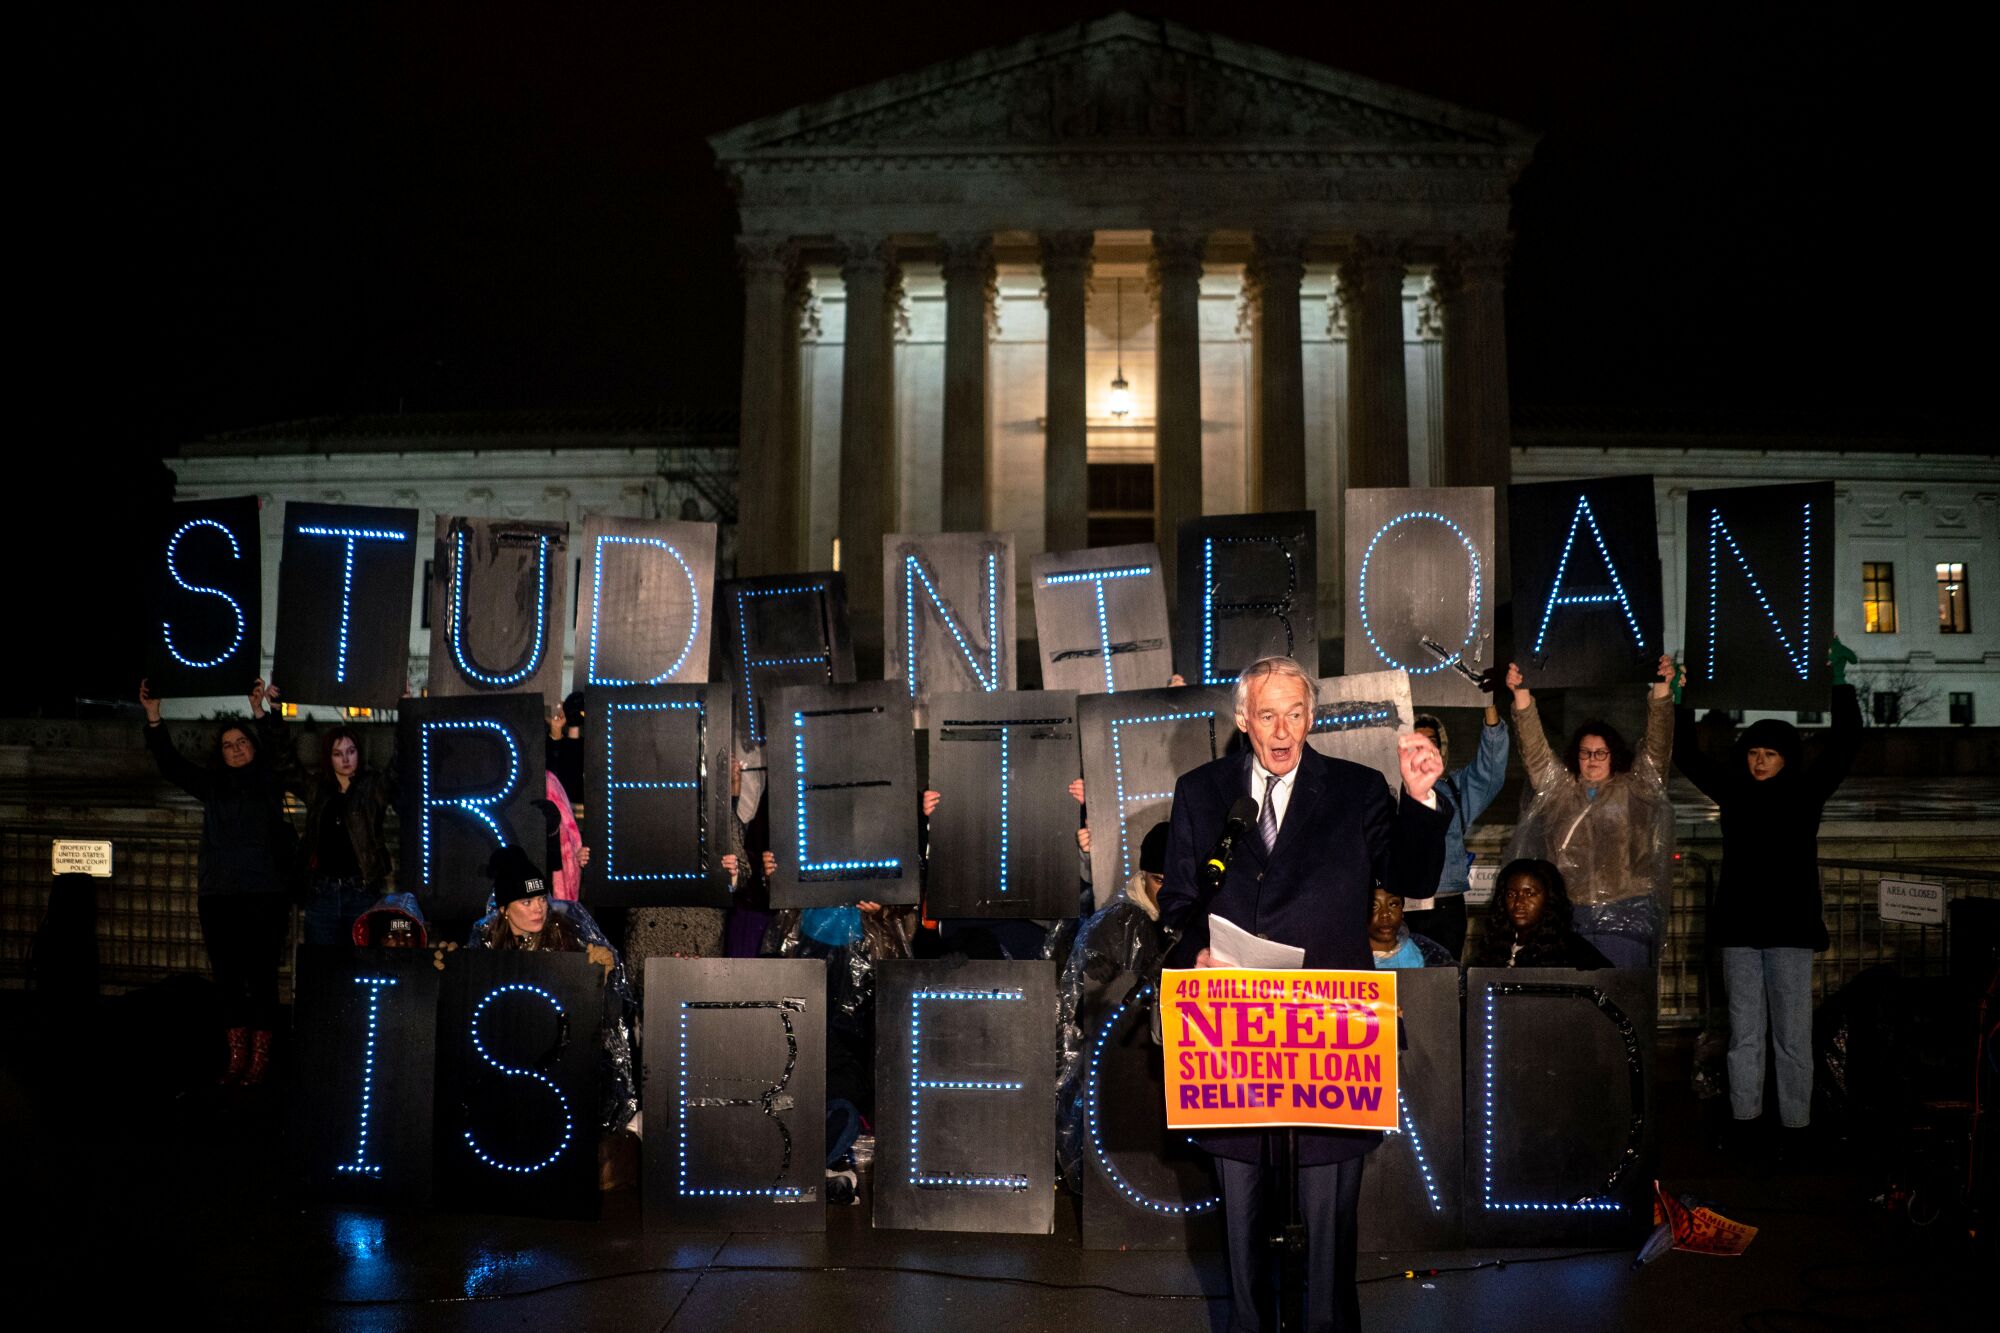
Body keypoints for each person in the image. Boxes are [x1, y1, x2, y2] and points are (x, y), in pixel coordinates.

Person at [1157, 656, 1446, 1333]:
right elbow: (1178, 898)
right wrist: (1199, 948)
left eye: (1294, 713)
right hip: (1230, 1035)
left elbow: (1410, 871)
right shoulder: (1201, 792)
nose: (1282, 731)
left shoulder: (1357, 789)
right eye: (1267, 715)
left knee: (1326, 1228)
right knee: (1242, 1219)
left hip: (1330, 1039)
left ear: (1311, 717)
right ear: (1242, 721)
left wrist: (1422, 798)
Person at [1672, 641, 1863, 1146]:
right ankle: (1745, 1120)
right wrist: (1679, 698)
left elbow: (1846, 743)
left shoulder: (1806, 791)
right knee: (1745, 1033)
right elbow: (1687, 754)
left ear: (1786, 757)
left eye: (1770, 754)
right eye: (1754, 753)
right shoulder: (1733, 791)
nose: (1760, 762)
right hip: (1739, 928)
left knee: (1793, 1035)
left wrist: (1839, 682)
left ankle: (1796, 1125)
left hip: (1791, 930)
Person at [140, 678, 294, 1086]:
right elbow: (171, 765)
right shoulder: (212, 785)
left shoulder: (269, 779)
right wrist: (154, 717)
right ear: (220, 754)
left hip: (264, 892)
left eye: (241, 741)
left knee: (261, 978)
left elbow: (281, 749)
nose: (235, 749)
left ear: (252, 746)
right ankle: (235, 1055)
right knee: (227, 977)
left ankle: (261, 1058)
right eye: (227, 745)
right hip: (219, 894)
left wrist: (260, 712)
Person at [1506, 655, 1678, 967]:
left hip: (1626, 915)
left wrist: (1661, 692)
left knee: (1623, 1002)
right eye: (1585, 752)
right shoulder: (1559, 789)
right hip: (1571, 916)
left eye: (1601, 753)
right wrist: (1521, 695)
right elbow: (1534, 749)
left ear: (1614, 755)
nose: (1592, 759)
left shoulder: (1636, 788)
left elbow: (1658, 746)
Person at [1056, 821, 1173, 1192]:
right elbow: (1090, 1011)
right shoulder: (1120, 923)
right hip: (1123, 1073)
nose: (1168, 891)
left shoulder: (1190, 922)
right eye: (1159, 879)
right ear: (1144, 876)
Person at [253, 681, 393, 947]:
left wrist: (407, 711)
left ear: (358, 754)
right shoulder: (318, 788)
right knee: (321, 968)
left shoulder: (371, 787)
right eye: (338, 753)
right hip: (322, 891)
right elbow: (284, 763)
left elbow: (397, 771)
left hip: (361, 890)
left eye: (350, 752)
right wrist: (275, 713)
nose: (345, 759)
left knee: (360, 966)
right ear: (329, 757)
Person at [1403, 691, 1511, 959]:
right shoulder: (1388, 788)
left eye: (1432, 742)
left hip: (1446, 908)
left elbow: (1491, 770)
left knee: (1445, 983)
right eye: (1417, 742)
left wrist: (1489, 706)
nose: (1425, 749)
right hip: (1397, 910)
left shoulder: (1455, 788)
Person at [1469, 858, 1613, 969]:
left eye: (1529, 894)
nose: (1519, 903)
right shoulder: (1495, 945)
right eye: (1511, 894)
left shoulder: (1575, 951)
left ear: (1549, 898)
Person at [1368, 887, 1454, 969]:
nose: (1385, 914)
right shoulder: (1355, 958)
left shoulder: (1425, 951)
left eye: (1393, 904)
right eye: (1374, 906)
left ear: (1402, 911)